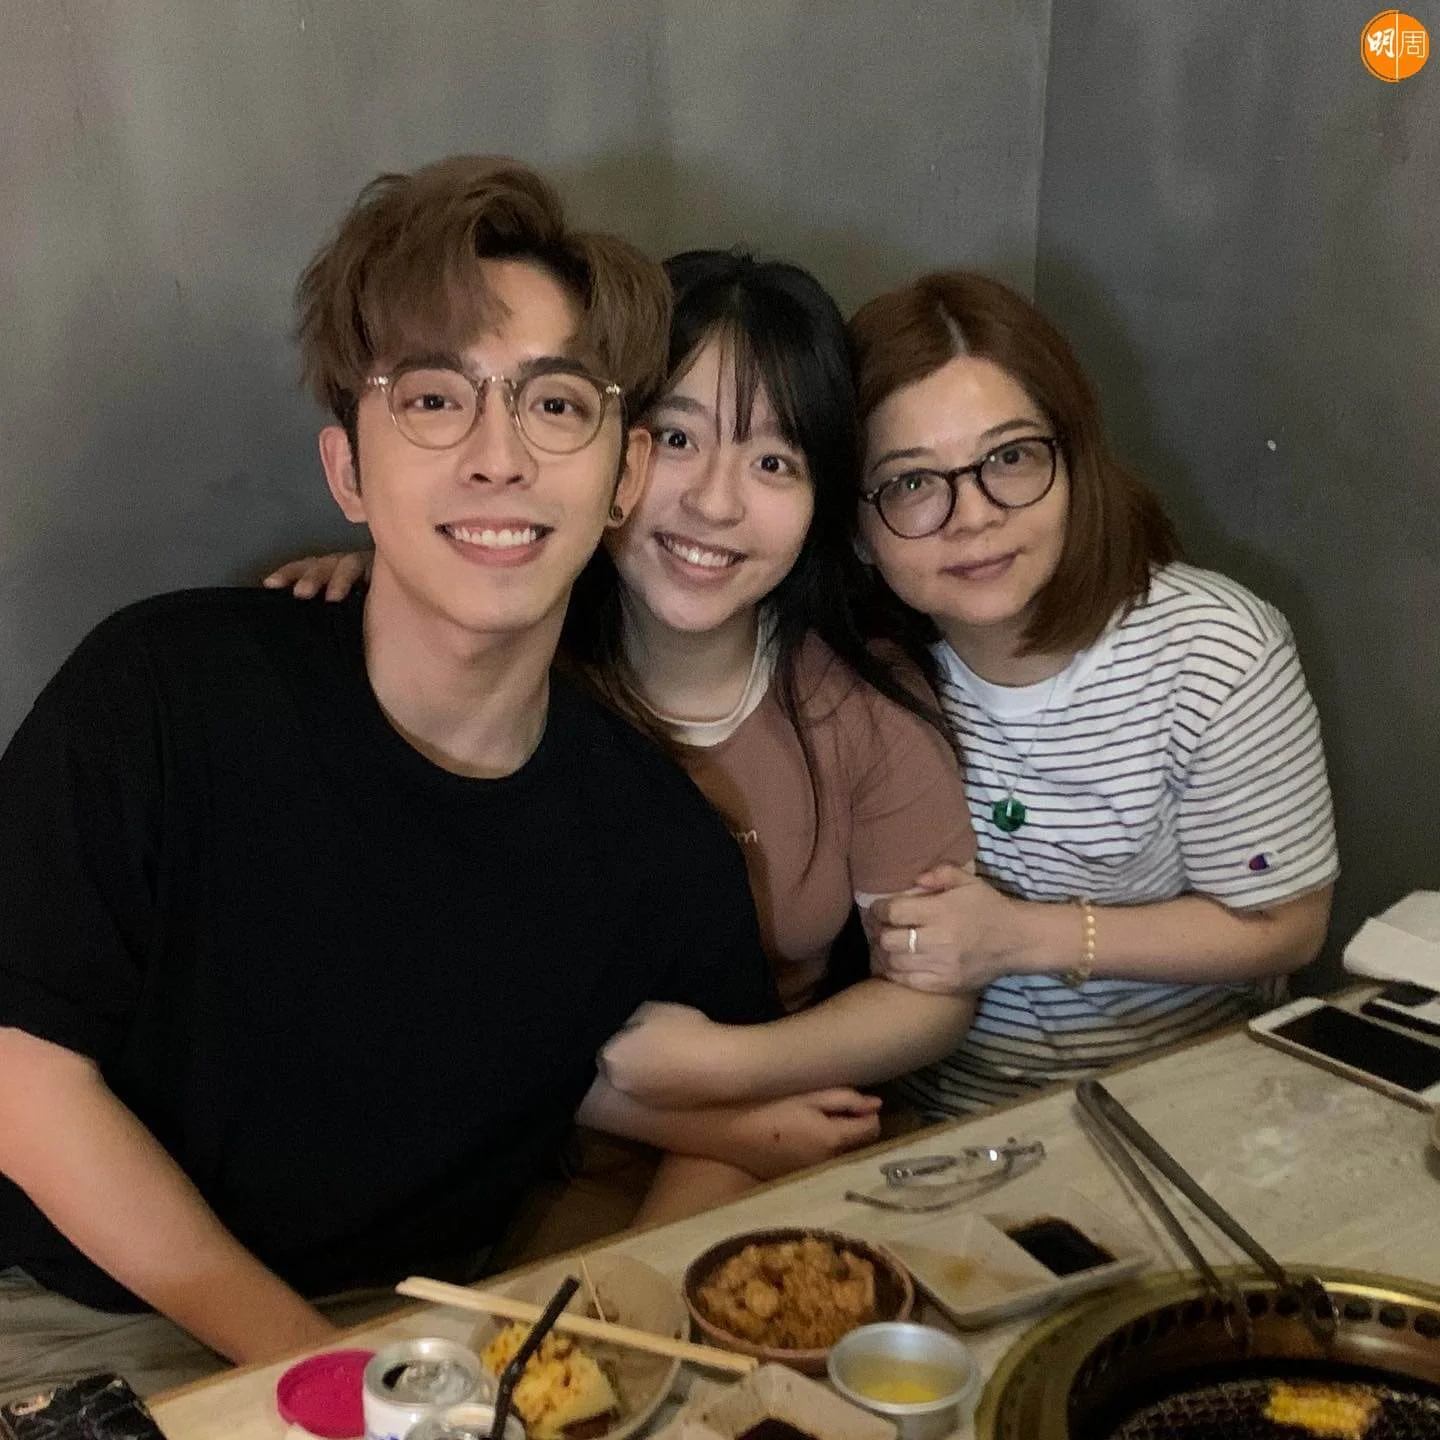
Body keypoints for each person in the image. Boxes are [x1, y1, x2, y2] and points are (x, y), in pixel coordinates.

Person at [0, 158, 871, 1405]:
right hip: (77, 1317)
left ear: (623, 474)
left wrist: (603, 1335)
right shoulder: (162, 696)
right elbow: (23, 1072)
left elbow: (721, 1140)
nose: (497, 457)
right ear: (349, 471)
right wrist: (323, 1377)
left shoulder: (652, 839)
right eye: (432, 400)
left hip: (419, 1331)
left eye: (555, 404)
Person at [268, 251, 981, 1155]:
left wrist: (726, 1068)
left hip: (778, 1137)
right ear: (611, 457)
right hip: (491, 1154)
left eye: (774, 460)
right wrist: (412, 571)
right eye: (678, 439)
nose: (715, 504)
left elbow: (930, 992)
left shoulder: (860, 705)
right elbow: (399, 976)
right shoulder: (505, 670)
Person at [850, 271, 1338, 1116]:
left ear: (1075, 460)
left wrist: (1023, 938)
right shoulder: (860, 670)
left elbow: (1289, 926)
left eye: (1009, 457)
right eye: (913, 482)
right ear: (857, 529)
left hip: (1182, 1103)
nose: (974, 515)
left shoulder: (1215, 651)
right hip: (931, 1120)